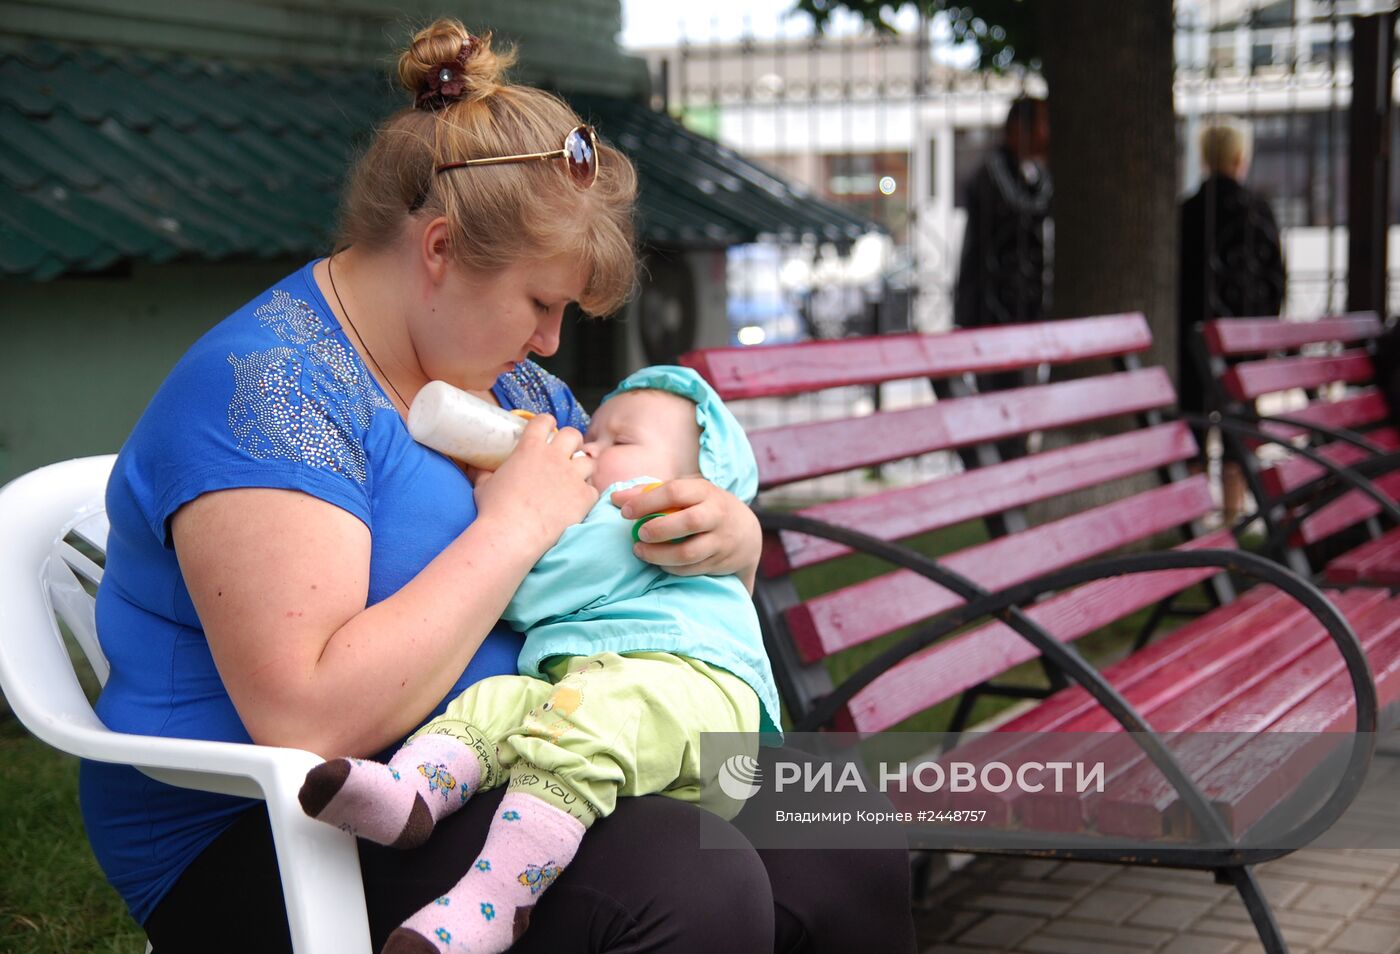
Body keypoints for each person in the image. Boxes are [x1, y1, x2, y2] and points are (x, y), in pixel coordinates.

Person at [79, 17, 916, 954]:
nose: (553, 344)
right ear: (438, 248)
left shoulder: (510, 384)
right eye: (540, 303)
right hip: (273, 824)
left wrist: (725, 544)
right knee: (687, 885)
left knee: (846, 831)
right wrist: (513, 526)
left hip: (516, 750)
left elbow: (604, 569)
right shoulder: (262, 389)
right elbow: (310, 717)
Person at [299, 366, 782, 953]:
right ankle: (414, 789)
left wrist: (517, 512)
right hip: (618, 685)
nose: (587, 445)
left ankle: (497, 898)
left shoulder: (641, 511)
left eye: (619, 442)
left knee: (582, 714)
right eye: (593, 432)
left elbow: (531, 591)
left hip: (690, 691)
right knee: (501, 702)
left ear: (698, 481)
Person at [1178, 122, 1286, 521]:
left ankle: (1192, 519)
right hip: (1243, 341)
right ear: (1241, 157)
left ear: (1206, 157)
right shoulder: (1257, 210)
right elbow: (1275, 277)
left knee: (1193, 426)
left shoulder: (1187, 210)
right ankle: (1232, 517)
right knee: (1240, 430)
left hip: (1192, 338)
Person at [949, 96, 1052, 466]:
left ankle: (1014, 468)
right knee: (1001, 406)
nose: (1049, 134)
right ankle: (1004, 475)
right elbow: (1025, 210)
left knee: (1021, 405)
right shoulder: (992, 172)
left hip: (1023, 311)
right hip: (992, 312)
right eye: (1042, 124)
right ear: (1017, 129)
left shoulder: (1033, 173)